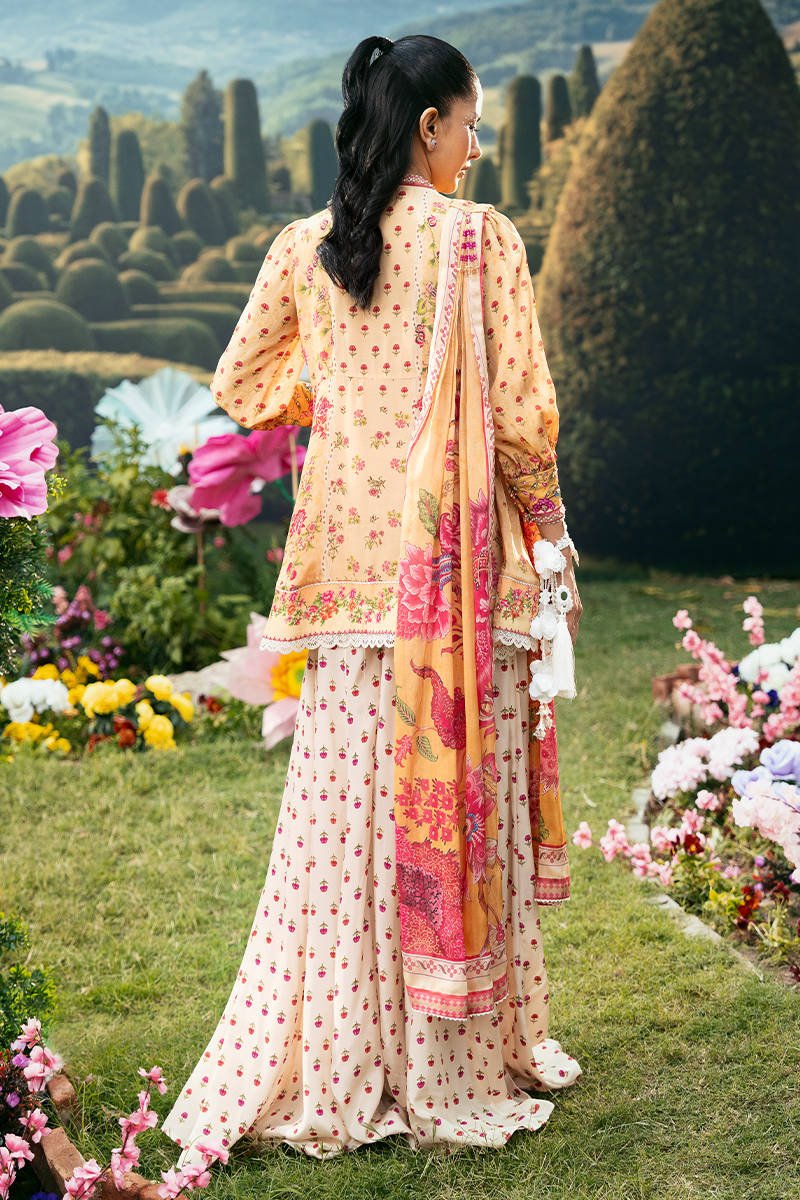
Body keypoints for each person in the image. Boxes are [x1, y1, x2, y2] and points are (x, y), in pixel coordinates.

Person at [160, 32, 583, 1165]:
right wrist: (550, 534)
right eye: (471, 124)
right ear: (429, 125)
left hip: (347, 575)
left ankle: (348, 1058)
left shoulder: (308, 247)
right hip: (456, 570)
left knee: (346, 826)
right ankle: (452, 1063)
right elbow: (516, 417)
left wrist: (339, 395)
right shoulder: (479, 240)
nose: (477, 146)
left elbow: (242, 384)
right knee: (453, 810)